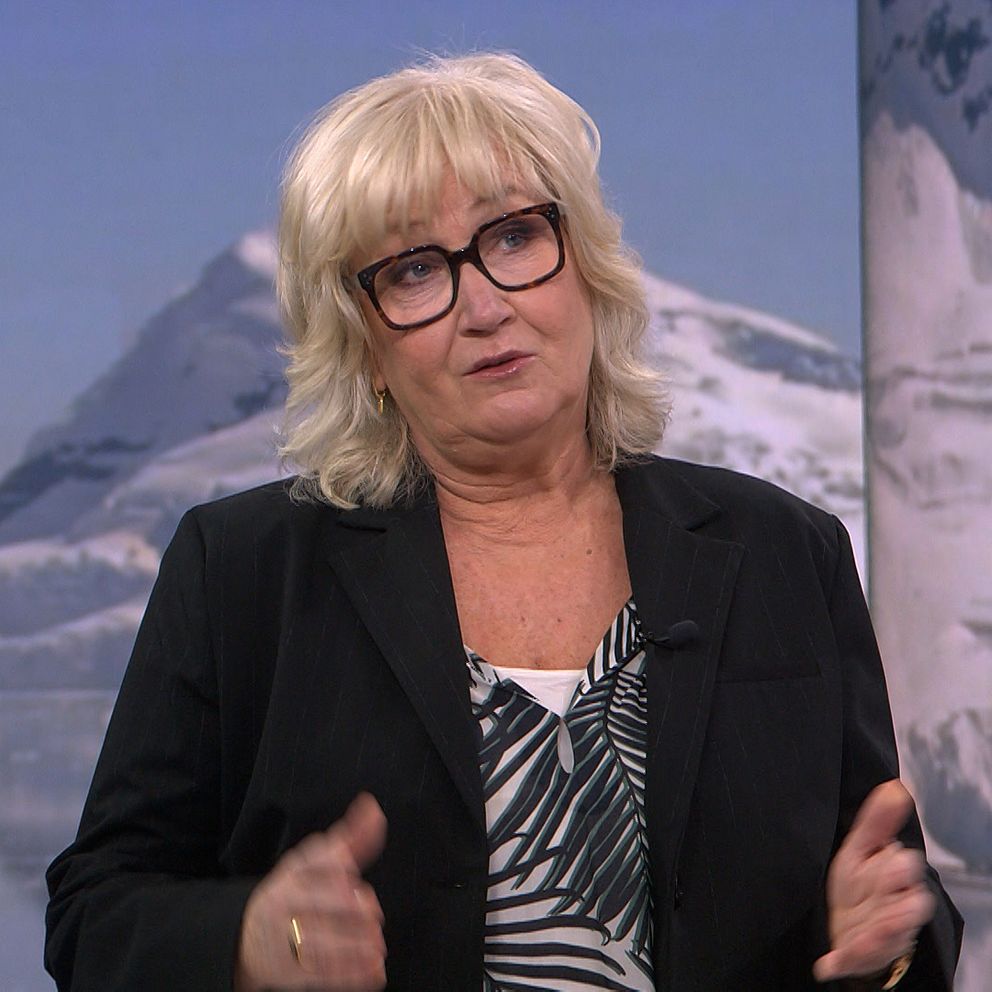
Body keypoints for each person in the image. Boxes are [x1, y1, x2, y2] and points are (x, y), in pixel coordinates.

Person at [45, 53, 962, 991]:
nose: (484, 306)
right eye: (413, 271)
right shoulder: (243, 572)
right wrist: (247, 939)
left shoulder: (783, 552)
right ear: (364, 346)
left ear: (587, 269)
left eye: (516, 236)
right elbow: (94, 915)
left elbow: (896, 892)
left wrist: (886, 949)